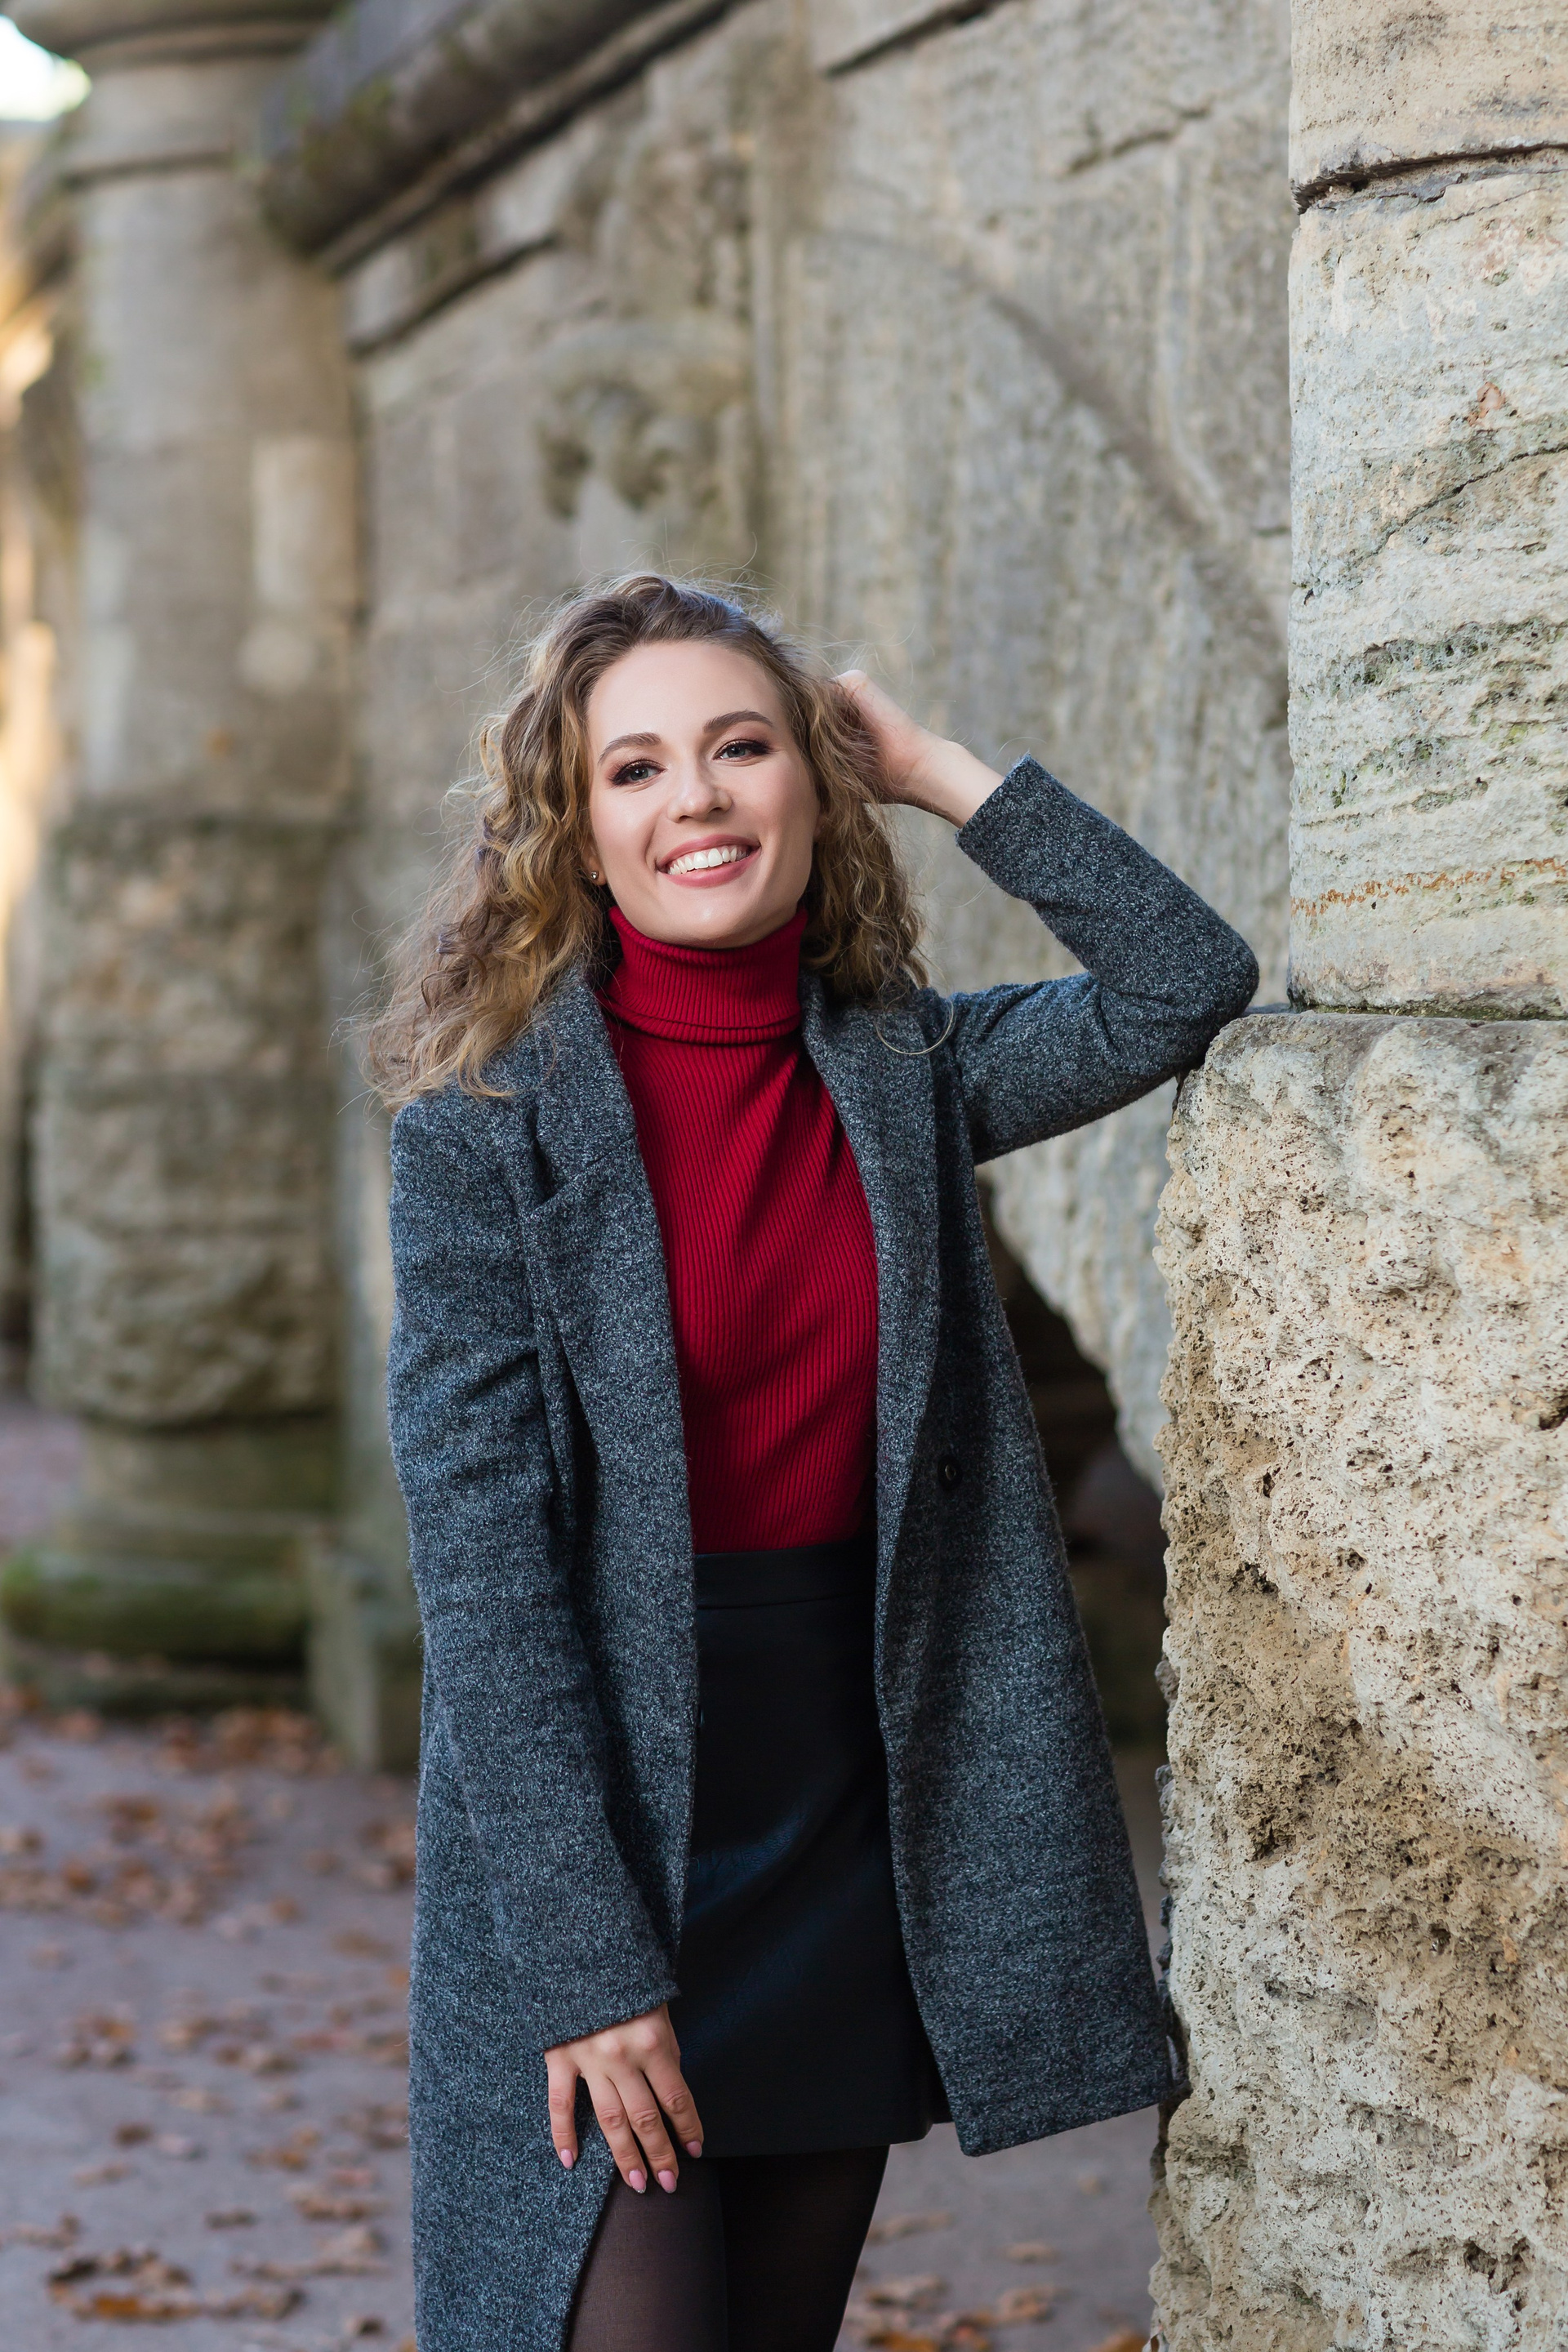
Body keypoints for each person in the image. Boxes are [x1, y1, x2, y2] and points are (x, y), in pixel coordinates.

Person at [369, 573, 1258, 2352]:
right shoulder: (485, 1128)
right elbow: (485, 1580)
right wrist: (588, 1966)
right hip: (606, 1820)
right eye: (634, 769)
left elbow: (1185, 982)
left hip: (853, 1798)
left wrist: (935, 770)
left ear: (811, 780)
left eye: (742, 748)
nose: (695, 799)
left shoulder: (904, 1070)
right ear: (574, 830)